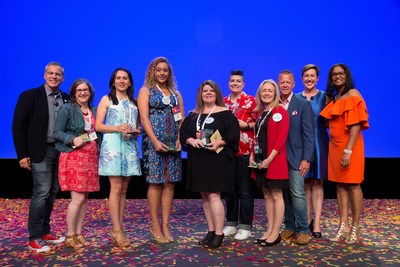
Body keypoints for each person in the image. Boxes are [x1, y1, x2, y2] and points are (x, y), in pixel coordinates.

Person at [12, 61, 69, 252]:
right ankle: (34, 237)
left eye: (58, 74)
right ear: (45, 75)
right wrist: (22, 154)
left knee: (52, 191)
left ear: (62, 78)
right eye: (51, 73)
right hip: (40, 151)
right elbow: (18, 127)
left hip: (60, 151)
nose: (54, 77)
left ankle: (45, 231)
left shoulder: (67, 99)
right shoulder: (29, 96)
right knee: (42, 192)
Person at [180, 80, 240, 249]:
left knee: (214, 196)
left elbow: (233, 135)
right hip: (199, 160)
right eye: (205, 91)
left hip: (217, 160)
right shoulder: (193, 114)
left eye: (211, 91)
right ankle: (211, 231)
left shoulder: (226, 114)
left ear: (216, 94)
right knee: (205, 197)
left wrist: (220, 142)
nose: (208, 93)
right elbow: (184, 133)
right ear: (200, 94)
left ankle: (219, 234)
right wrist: (191, 140)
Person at [320, 63, 369, 244]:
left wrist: (348, 151)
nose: (337, 77)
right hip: (335, 146)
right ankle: (343, 226)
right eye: (334, 74)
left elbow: (356, 125)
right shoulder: (336, 97)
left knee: (353, 185)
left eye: (341, 73)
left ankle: (355, 228)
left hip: (350, 147)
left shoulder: (353, 95)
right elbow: (328, 123)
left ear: (347, 75)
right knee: (340, 186)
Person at [137, 57, 185, 244]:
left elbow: (181, 119)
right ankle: (155, 224)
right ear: (152, 72)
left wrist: (180, 139)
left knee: (170, 183)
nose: (162, 73)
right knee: (156, 182)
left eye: (165, 70)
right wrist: (155, 140)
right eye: (158, 70)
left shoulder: (175, 94)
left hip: (173, 144)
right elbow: (144, 117)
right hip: (154, 143)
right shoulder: (145, 91)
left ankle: (166, 224)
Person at [96, 68, 142, 249]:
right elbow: (98, 126)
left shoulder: (134, 102)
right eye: (118, 78)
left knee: (124, 189)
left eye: (125, 78)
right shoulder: (106, 99)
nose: (122, 81)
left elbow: (137, 126)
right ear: (113, 82)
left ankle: (118, 228)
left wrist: (137, 131)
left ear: (130, 82)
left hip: (129, 147)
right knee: (115, 188)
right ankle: (117, 230)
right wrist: (117, 128)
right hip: (113, 147)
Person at [54, 78, 100, 249]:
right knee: (77, 198)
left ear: (90, 92)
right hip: (74, 157)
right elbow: (57, 132)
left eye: (85, 90)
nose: (82, 92)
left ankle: (78, 233)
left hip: (90, 158)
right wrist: (72, 138)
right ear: (74, 93)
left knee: (84, 198)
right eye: (79, 90)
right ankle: (69, 235)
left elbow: (97, 133)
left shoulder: (94, 110)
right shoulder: (67, 109)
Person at [250, 79, 290, 247]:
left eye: (270, 91)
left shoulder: (280, 112)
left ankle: (276, 232)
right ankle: (269, 229)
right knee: (267, 194)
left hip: (274, 160)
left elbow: (281, 140)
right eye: (264, 91)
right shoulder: (262, 113)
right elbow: (257, 138)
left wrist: (269, 159)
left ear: (275, 94)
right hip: (261, 160)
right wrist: (253, 155)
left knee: (276, 194)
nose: (266, 93)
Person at [278, 70, 315, 245]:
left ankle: (303, 230)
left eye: (288, 82)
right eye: (282, 82)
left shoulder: (302, 104)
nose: (285, 85)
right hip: (278, 158)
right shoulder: (275, 105)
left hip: (297, 157)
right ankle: (290, 227)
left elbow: (309, 134)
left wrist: (306, 158)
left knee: (297, 193)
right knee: (284, 193)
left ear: (293, 84)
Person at [222, 70, 257, 240]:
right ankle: (230, 223)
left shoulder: (251, 101)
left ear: (243, 84)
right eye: (232, 81)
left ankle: (245, 226)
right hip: (227, 152)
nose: (235, 83)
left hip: (245, 151)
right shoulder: (223, 103)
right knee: (229, 191)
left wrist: (246, 125)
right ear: (229, 83)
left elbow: (260, 124)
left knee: (244, 190)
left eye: (238, 81)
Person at [297, 64, 329, 238]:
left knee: (317, 182)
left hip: (319, 143)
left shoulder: (325, 97)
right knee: (304, 183)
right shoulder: (296, 98)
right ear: (302, 79)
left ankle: (316, 223)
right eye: (306, 76)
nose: (309, 79)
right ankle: (306, 220)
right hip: (301, 145)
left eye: (312, 76)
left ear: (317, 78)